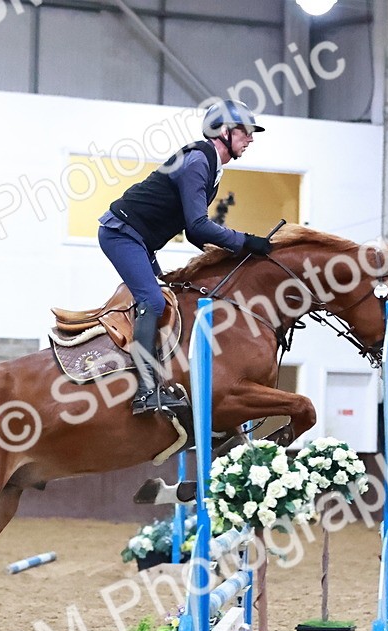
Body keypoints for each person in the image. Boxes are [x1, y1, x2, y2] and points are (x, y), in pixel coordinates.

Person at [99, 99, 274, 416]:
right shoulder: (197, 162)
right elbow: (198, 226)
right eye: (245, 132)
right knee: (153, 302)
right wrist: (246, 241)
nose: (251, 139)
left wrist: (234, 257)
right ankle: (144, 392)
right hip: (120, 233)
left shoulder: (211, 167)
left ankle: (160, 377)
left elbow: (195, 234)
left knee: (171, 299)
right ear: (222, 131)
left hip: (138, 240)